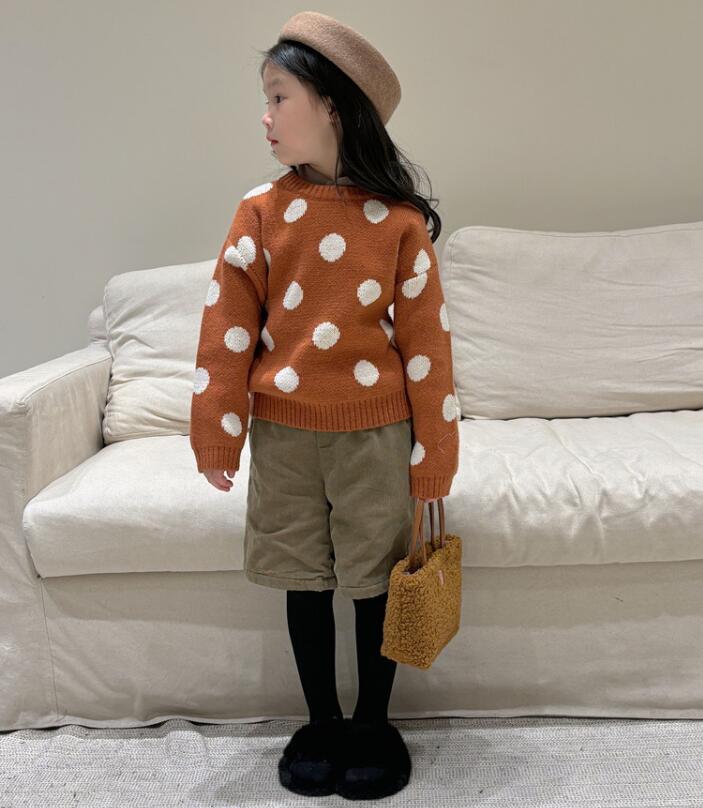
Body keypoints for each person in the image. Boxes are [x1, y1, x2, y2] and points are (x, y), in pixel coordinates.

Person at [189, 10, 460, 800]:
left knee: (374, 581)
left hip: (377, 438)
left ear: (332, 105)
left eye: (278, 97)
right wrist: (217, 434)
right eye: (266, 99)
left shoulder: (398, 225)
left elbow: (428, 353)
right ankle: (320, 723)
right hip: (283, 438)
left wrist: (434, 456)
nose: (265, 116)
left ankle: (372, 723)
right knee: (302, 578)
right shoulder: (259, 212)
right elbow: (225, 332)